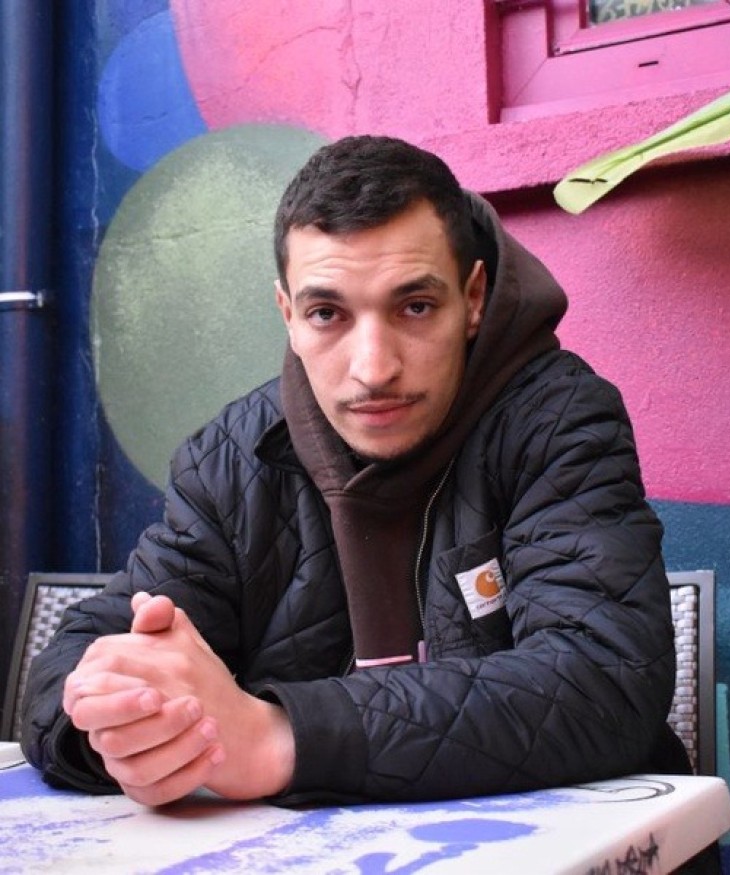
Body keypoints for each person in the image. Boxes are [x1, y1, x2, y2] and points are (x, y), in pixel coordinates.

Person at [22, 135, 688, 808]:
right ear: (288, 315)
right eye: (327, 314)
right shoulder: (231, 460)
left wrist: (280, 739)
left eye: (415, 306)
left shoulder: (558, 419)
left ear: (473, 297)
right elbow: (77, 657)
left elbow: (603, 678)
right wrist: (122, 727)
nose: (373, 368)